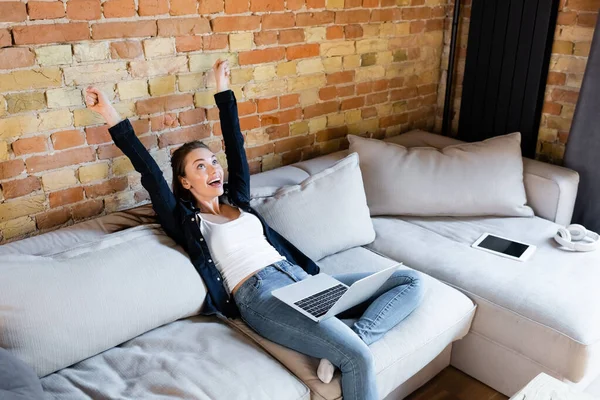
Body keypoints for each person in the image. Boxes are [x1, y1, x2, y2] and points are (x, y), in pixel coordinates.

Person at [85, 59, 424, 400]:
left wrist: (222, 86)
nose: (212, 169)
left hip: (301, 281)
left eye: (213, 162)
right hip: (261, 296)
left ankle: (356, 336)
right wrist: (109, 113)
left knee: (409, 280)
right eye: (200, 167)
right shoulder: (185, 220)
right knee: (358, 359)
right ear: (185, 182)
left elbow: (235, 143)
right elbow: (149, 172)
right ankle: (348, 347)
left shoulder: (239, 199)